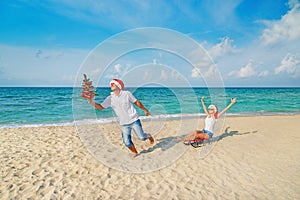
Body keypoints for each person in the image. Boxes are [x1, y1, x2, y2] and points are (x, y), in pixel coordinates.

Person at [88, 78, 154, 157]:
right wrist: (92, 102)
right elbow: (101, 107)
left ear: (118, 85)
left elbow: (136, 102)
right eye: (110, 84)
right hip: (123, 123)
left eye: (113, 83)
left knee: (142, 137)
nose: (111, 85)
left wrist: (145, 110)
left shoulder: (127, 94)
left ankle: (148, 136)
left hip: (134, 120)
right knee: (127, 142)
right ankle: (135, 152)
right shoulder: (110, 98)